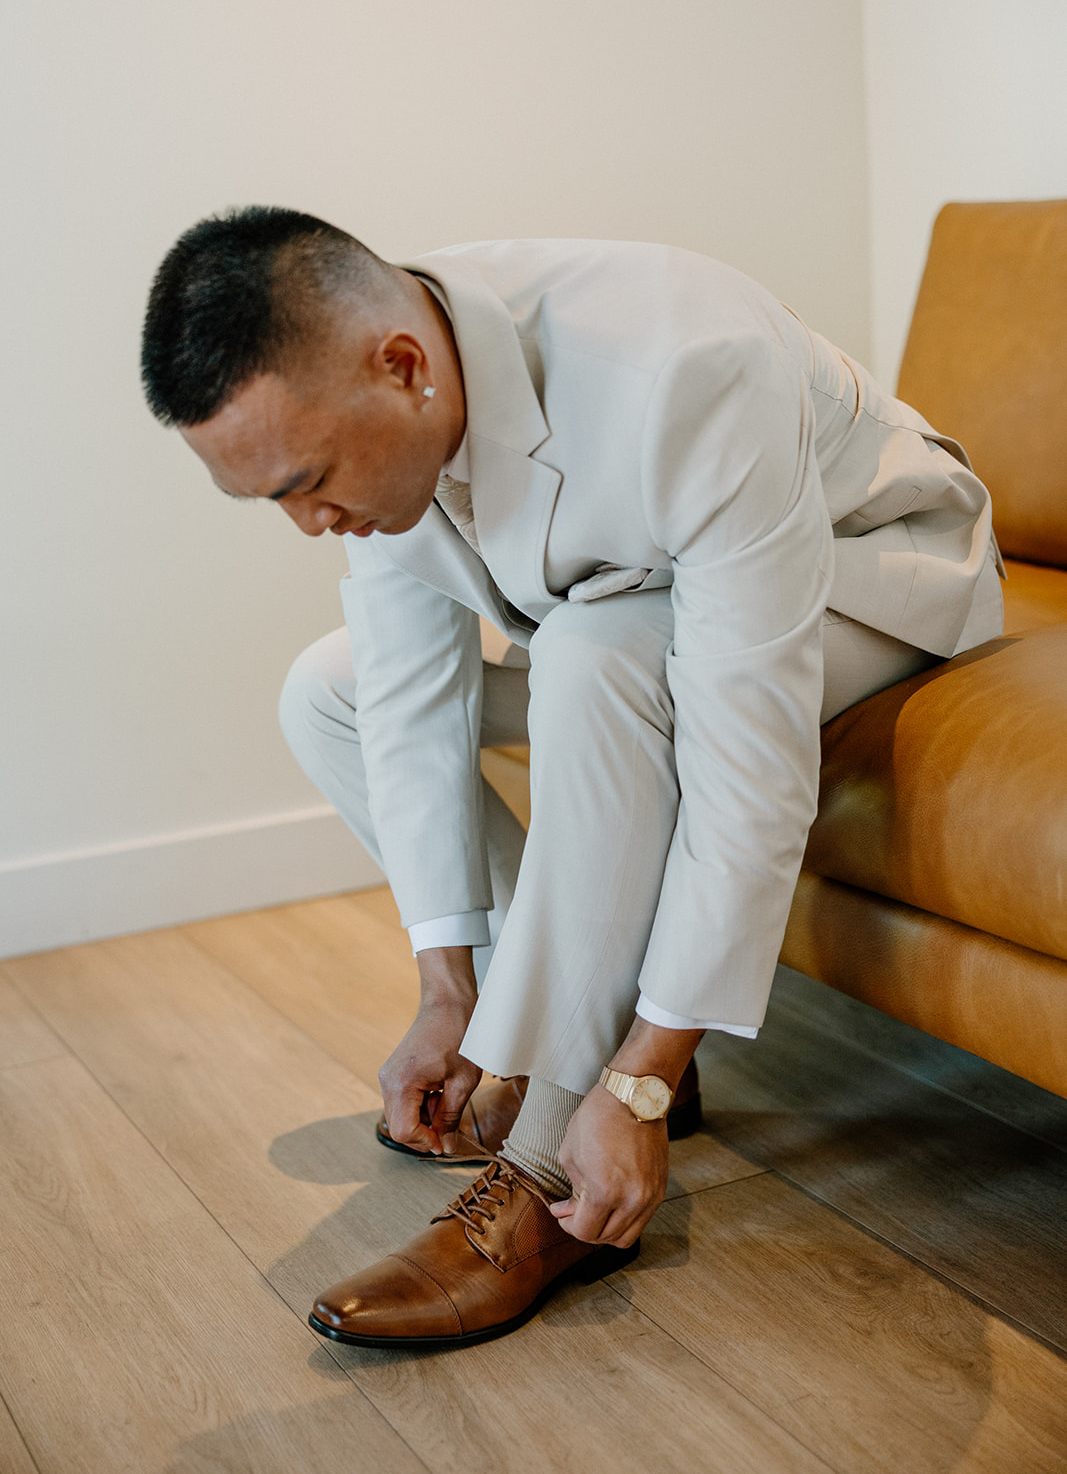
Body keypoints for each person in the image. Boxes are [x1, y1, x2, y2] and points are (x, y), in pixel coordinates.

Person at [141, 207, 1003, 1348]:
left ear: (402, 368)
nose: (310, 523)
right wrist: (448, 988)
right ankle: (550, 1032)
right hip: (643, 609)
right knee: (327, 690)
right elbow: (407, 694)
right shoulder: (372, 400)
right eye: (274, 500)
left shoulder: (686, 366)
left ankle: (553, 1168)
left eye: (310, 481)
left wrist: (644, 1075)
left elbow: (750, 766)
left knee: (598, 655)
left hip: (874, 572)